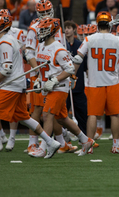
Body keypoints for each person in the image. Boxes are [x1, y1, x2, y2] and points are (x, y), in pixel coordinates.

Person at [0, 12, 60, 160]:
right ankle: (50, 142)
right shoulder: (5, 41)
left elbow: (7, 69)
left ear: (2, 25)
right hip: (15, 84)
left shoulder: (5, 43)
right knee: (24, 118)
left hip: (11, 86)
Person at [35, 18, 94, 157]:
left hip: (59, 87)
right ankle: (86, 140)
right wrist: (39, 80)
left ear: (52, 31)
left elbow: (70, 69)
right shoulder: (41, 46)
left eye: (44, 29)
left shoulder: (59, 48)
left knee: (47, 115)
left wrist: (55, 79)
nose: (41, 32)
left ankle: (45, 146)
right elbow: (43, 68)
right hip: (49, 87)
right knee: (62, 118)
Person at [73, 12, 119, 154]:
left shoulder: (89, 39)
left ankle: (88, 146)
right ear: (110, 24)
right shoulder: (118, 40)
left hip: (95, 82)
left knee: (93, 115)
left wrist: (72, 75)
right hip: (113, 82)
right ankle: (115, 145)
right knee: (114, 115)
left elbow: (78, 58)